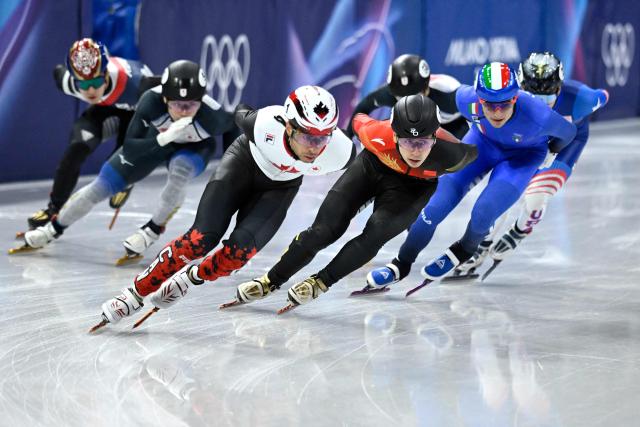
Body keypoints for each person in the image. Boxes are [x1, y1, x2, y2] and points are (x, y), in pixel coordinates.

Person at [89, 85, 356, 331]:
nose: (315, 148)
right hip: (243, 164)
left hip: (280, 189)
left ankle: (188, 279)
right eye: (308, 137)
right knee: (199, 240)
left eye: (323, 139)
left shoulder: (341, 153)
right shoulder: (263, 124)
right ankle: (134, 294)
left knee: (237, 255)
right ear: (287, 126)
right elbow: (239, 110)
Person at [223, 94, 477, 312]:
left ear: (435, 137)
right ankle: (271, 279)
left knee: (377, 233)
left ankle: (321, 282)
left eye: (423, 143)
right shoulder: (374, 133)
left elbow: (482, 150)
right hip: (371, 168)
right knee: (323, 230)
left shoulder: (454, 155)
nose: (415, 151)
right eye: (409, 142)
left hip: (413, 189)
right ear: (395, 135)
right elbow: (358, 117)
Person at [366, 62, 578, 294]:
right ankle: (401, 263)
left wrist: (551, 151)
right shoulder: (465, 99)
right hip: (482, 144)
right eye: (489, 105)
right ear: (479, 98)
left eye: (504, 104)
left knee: (483, 212)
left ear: (515, 98)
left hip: (523, 157)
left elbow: (569, 133)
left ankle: (464, 249)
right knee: (432, 209)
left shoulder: (538, 114)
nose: (497, 112)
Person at [14, 60, 237, 264]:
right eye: (177, 104)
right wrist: (163, 138)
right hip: (153, 140)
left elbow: (233, 126)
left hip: (194, 148)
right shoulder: (150, 100)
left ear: (201, 101)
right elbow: (130, 145)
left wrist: (228, 172)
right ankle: (53, 229)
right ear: (165, 99)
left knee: (179, 174)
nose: (183, 111)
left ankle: (151, 230)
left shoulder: (212, 116)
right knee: (100, 186)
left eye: (191, 105)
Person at [453, 52, 609, 279]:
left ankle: (520, 230)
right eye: (533, 94)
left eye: (548, 95)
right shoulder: (510, 102)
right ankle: (482, 244)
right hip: (529, 142)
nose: (541, 102)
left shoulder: (583, 98)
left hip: (566, 143)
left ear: (560, 87)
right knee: (502, 193)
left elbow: (603, 95)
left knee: (537, 195)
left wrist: (554, 150)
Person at [26, 38, 159, 230]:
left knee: (121, 158)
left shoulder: (137, 84)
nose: (89, 90)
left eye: (96, 81)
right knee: (76, 149)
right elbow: (57, 72)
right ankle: (53, 209)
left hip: (135, 113)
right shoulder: (70, 83)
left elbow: (168, 85)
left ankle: (126, 181)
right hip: (103, 110)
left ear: (105, 73)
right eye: (83, 83)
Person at [345, 54, 468, 139]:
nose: (408, 103)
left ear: (426, 88)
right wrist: (349, 135)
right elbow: (364, 107)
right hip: (418, 127)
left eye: (414, 96)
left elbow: (479, 106)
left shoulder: (448, 94)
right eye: (401, 97)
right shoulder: (390, 94)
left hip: (455, 125)